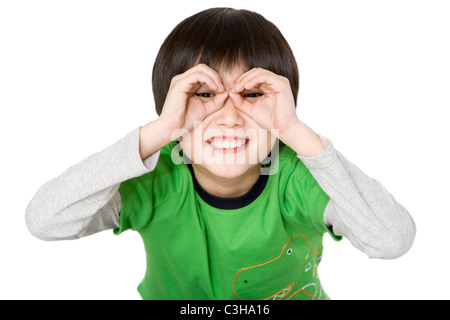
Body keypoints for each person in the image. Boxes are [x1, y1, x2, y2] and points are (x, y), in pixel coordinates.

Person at [25, 7, 416, 300]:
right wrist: (160, 130)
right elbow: (45, 221)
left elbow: (391, 240)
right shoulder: (154, 182)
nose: (229, 118)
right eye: (204, 94)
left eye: (252, 94)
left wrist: (295, 132)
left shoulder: (301, 179)